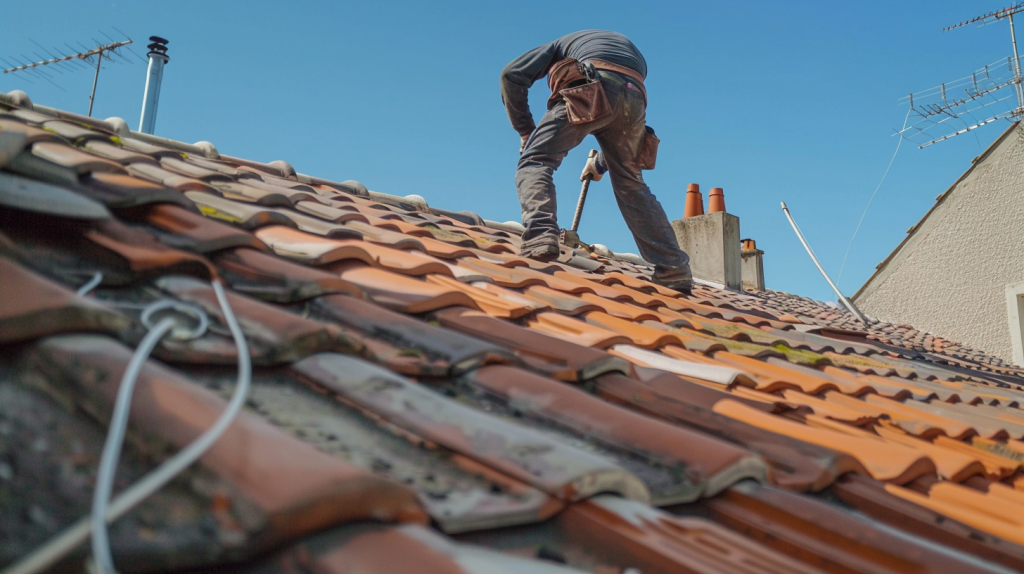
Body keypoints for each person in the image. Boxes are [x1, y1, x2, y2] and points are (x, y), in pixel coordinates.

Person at [500, 29, 693, 294]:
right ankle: (674, 269)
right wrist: (600, 164)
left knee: (535, 161)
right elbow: (613, 109)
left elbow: (511, 75)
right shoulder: (624, 52)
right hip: (634, 94)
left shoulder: (558, 46)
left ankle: (541, 236)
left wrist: (525, 130)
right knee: (631, 184)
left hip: (592, 82)